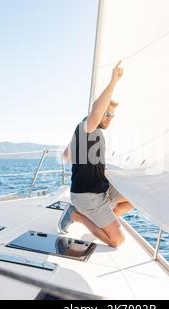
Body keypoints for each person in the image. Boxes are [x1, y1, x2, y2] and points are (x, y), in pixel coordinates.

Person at [58, 61, 133, 248]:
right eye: (106, 113)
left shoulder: (88, 131)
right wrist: (114, 81)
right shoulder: (89, 126)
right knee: (118, 241)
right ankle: (78, 216)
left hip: (100, 190)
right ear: (97, 112)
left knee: (137, 197)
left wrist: (96, 166)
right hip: (87, 196)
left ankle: (100, 220)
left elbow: (66, 156)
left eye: (111, 115)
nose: (109, 118)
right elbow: (96, 113)